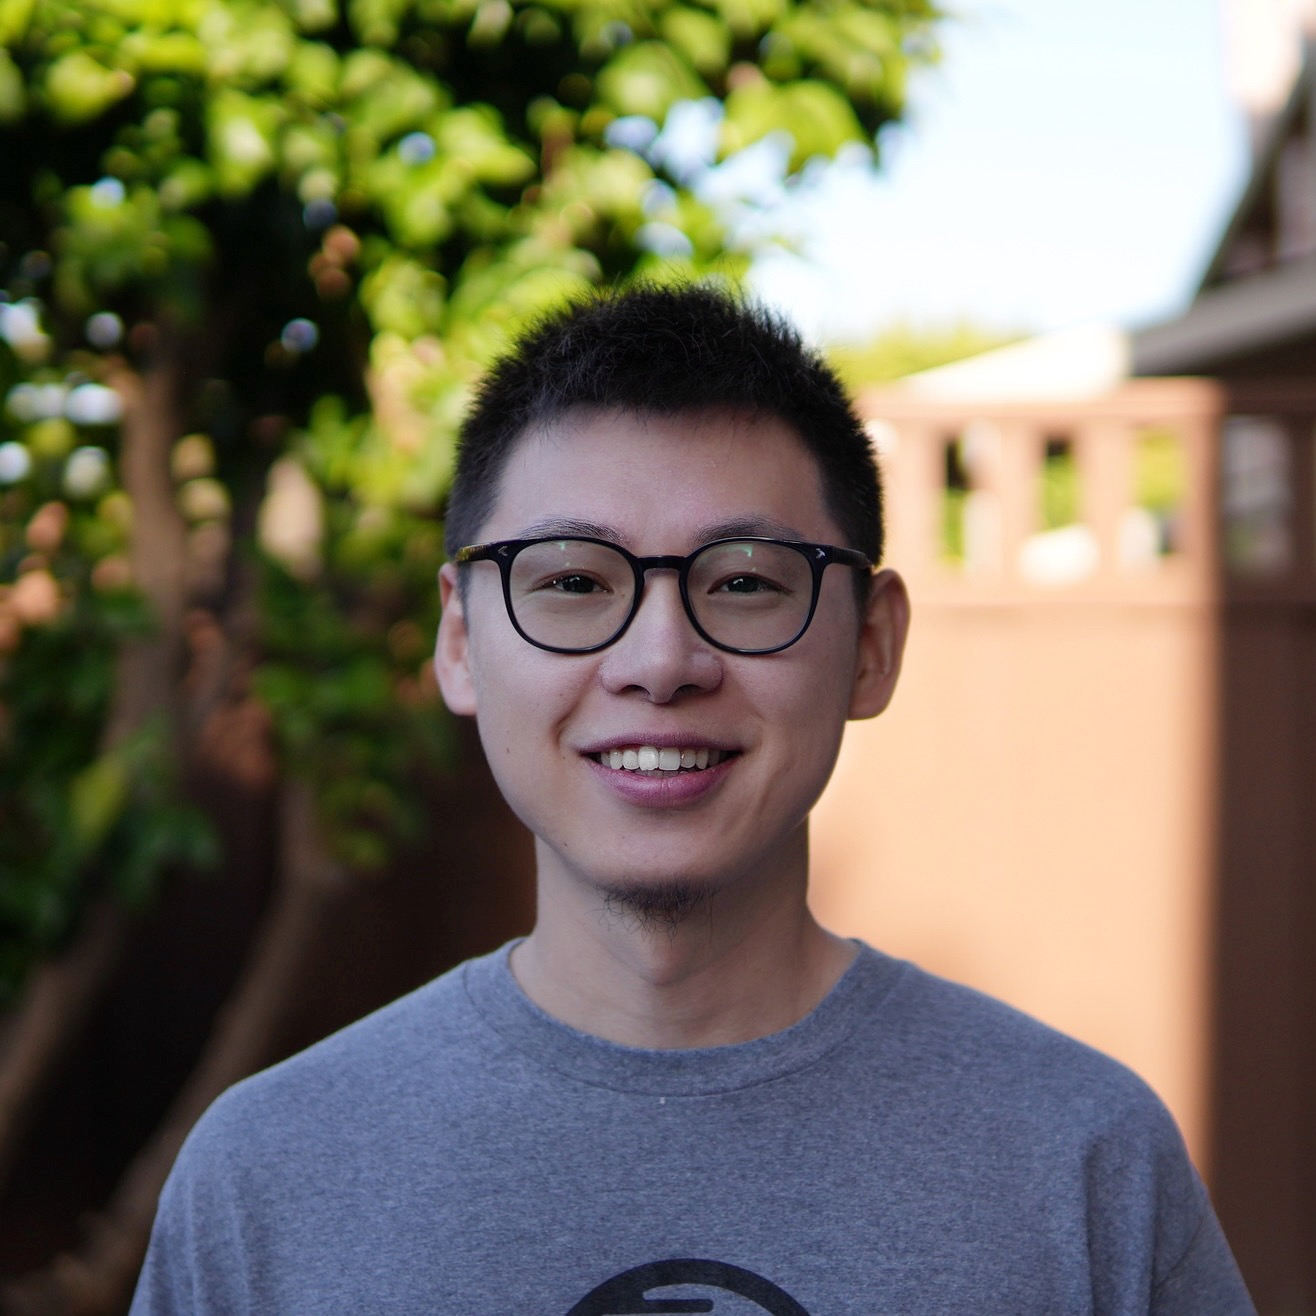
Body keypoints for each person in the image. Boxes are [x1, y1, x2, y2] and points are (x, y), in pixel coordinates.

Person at [130, 283, 1254, 1314]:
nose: (660, 661)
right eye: (575, 581)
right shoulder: (264, 1181)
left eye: (745, 582)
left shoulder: (1082, 1162)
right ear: (461, 641)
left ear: (871, 646)